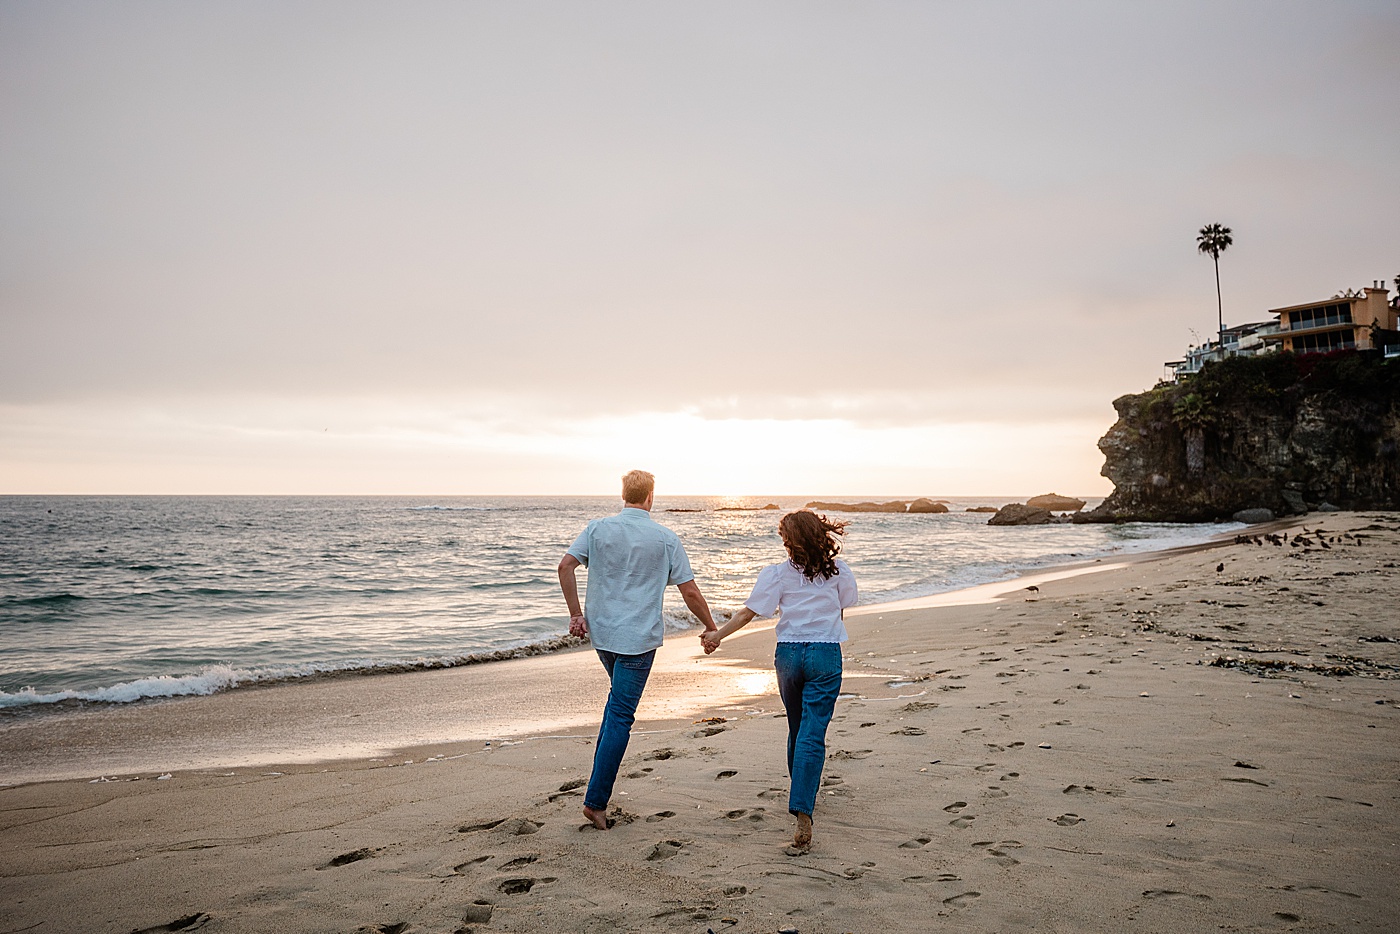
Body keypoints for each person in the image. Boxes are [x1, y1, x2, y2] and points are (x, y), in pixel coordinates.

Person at [559, 469, 718, 830]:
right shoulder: (664, 538)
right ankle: (595, 803)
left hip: (603, 635)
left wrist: (575, 614)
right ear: (650, 497)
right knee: (620, 714)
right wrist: (710, 627)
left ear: (623, 494)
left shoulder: (597, 529)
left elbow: (565, 566)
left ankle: (597, 788)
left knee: (616, 707)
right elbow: (689, 592)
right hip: (638, 640)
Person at [701, 510, 856, 851]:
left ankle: (801, 786)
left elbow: (747, 613)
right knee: (813, 732)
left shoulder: (776, 575)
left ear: (789, 540)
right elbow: (845, 605)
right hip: (825, 653)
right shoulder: (840, 571)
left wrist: (717, 636)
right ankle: (803, 805)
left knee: (797, 726)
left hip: (788, 655)